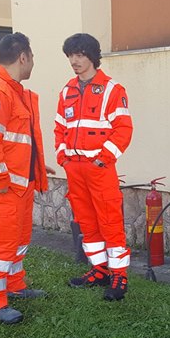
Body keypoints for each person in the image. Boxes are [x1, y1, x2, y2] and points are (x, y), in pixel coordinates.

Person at [0, 32, 52, 325]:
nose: (33, 64)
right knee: (2, 243)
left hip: (19, 184)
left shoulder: (14, 91)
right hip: (4, 187)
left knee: (18, 240)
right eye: (33, 58)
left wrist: (38, 166)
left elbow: (18, 141)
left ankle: (14, 285)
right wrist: (0, 183)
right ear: (23, 57)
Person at [55, 33, 133, 301]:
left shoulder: (113, 90)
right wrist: (62, 157)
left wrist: (103, 158)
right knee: (86, 221)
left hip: (99, 168)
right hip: (74, 169)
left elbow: (123, 130)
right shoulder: (67, 91)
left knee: (109, 220)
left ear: (91, 56)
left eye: (79, 55)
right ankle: (99, 269)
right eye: (70, 56)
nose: (74, 61)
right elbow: (59, 128)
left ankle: (119, 275)